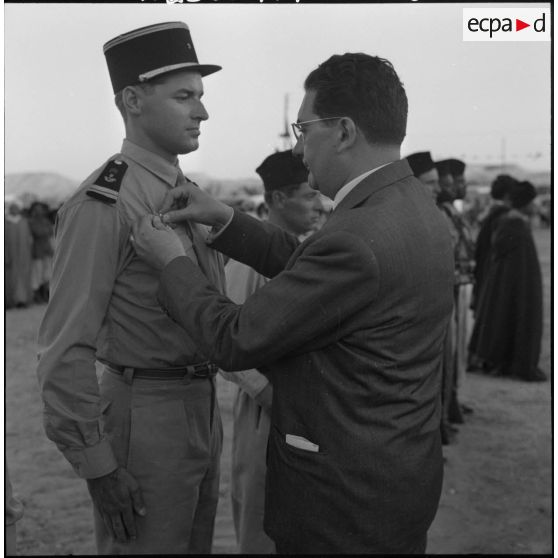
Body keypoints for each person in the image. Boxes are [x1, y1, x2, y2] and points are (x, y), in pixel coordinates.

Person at [133, 52, 454, 553]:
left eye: (304, 129)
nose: (301, 149)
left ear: (344, 131)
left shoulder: (358, 234)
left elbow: (234, 339)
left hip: (341, 506)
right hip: (395, 479)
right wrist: (225, 219)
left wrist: (171, 261)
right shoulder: (411, 207)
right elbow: (316, 270)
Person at [36, 22, 225, 554]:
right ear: (133, 100)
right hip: (146, 413)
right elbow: (64, 347)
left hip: (200, 405)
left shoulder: (185, 192)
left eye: (201, 97)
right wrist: (98, 466)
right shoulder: (105, 203)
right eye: (185, 96)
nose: (202, 112)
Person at [224, 150, 321, 554]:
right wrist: (267, 394)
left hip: (312, 411)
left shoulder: (316, 250)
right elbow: (224, 341)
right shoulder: (247, 260)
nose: (320, 204)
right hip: (267, 413)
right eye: (309, 195)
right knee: (262, 521)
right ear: (279, 199)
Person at [469, 181, 546, 382]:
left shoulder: (511, 222)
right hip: (510, 285)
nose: (535, 206)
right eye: (532, 202)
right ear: (525, 203)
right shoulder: (514, 224)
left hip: (506, 284)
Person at [5, 200, 33, 309]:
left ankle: (23, 300)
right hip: (10, 257)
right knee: (11, 278)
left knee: (23, 277)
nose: (14, 210)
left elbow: (29, 239)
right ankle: (11, 301)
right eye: (12, 208)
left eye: (16, 208)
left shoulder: (23, 222)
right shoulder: (5, 223)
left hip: (23, 256)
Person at [28, 201, 54, 303]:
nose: (40, 212)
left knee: (47, 274)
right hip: (37, 251)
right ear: (34, 211)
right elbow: (38, 232)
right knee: (37, 274)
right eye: (37, 210)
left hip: (47, 250)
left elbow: (51, 232)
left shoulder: (45, 221)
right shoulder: (31, 222)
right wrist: (45, 231)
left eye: (41, 209)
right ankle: (37, 295)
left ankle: (45, 294)